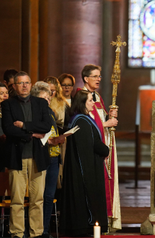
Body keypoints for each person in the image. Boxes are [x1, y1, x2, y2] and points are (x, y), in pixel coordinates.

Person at [1, 71, 53, 238]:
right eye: (20, 83)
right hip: (17, 157)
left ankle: (36, 233)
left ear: (31, 85)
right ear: (14, 86)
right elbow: (8, 129)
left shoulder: (40, 103)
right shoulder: (8, 104)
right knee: (17, 199)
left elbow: (46, 126)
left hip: (38, 157)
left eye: (27, 83)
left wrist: (24, 125)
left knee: (37, 199)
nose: (24, 86)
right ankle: (17, 233)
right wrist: (32, 133)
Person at [60, 90, 110, 236]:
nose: (93, 103)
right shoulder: (81, 120)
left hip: (88, 163)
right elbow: (90, 144)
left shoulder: (82, 118)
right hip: (84, 168)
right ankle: (85, 225)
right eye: (90, 100)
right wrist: (105, 150)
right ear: (82, 103)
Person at [79, 64, 121, 230]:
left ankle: (107, 219)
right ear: (86, 78)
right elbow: (84, 122)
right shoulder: (81, 96)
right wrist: (106, 123)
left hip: (103, 143)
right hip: (92, 148)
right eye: (95, 76)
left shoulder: (96, 96)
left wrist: (109, 115)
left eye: (99, 76)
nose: (98, 79)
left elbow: (99, 117)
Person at [31, 81, 65, 238]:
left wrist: (58, 139)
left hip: (54, 156)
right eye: (45, 98)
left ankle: (45, 230)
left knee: (49, 196)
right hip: (42, 156)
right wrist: (52, 141)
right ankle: (37, 230)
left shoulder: (50, 112)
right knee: (39, 196)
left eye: (49, 98)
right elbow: (37, 135)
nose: (49, 100)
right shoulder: (33, 112)